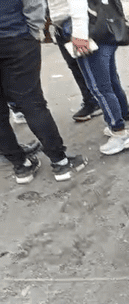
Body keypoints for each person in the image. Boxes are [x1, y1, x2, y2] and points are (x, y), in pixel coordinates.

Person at [0, 0, 88, 184]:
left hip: (15, 34)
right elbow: (33, 3)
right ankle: (60, 162)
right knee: (32, 103)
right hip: (15, 36)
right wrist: (33, 30)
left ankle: (21, 166)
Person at [69, 0, 129, 155]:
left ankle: (119, 132)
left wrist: (80, 36)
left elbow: (77, 4)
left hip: (90, 33)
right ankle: (125, 123)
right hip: (107, 29)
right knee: (112, 82)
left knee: (100, 88)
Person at [47, 0, 102, 121]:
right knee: (75, 66)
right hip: (61, 25)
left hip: (72, 22)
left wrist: (79, 33)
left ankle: (102, 105)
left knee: (89, 67)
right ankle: (91, 100)